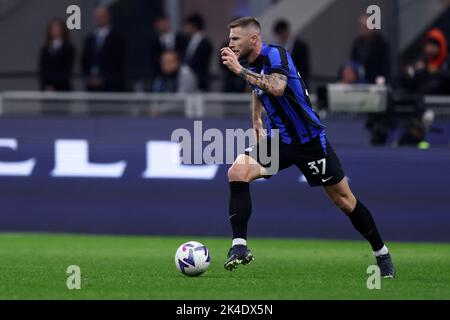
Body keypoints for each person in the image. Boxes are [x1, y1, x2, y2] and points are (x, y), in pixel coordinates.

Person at [220, 17, 395, 277]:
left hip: (310, 142)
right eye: (230, 38)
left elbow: (277, 87)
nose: (230, 43)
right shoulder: (250, 64)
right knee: (237, 172)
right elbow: (259, 92)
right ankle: (239, 247)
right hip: (282, 141)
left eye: (236, 39)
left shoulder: (275, 54)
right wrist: (257, 121)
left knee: (345, 201)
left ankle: (382, 255)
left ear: (253, 39)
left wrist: (238, 70)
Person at [81, 6, 126, 92]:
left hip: (112, 86)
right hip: (92, 87)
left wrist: (104, 78)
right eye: (97, 17)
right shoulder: (90, 38)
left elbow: (118, 61)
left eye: (101, 16)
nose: (99, 19)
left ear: (108, 17)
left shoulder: (118, 37)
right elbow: (85, 60)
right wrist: (89, 78)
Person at [402, 28, 450, 95]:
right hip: (424, 100)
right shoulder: (423, 59)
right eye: (429, 44)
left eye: (434, 45)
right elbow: (410, 77)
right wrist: (413, 71)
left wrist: (437, 71)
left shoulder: (446, 61)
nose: (430, 48)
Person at [351, 15, 390, 84]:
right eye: (362, 27)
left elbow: (384, 65)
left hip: (375, 80)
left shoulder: (381, 44)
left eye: (366, 27)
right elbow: (353, 61)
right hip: (359, 80)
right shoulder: (357, 43)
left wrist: (381, 81)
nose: (363, 30)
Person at [39, 18, 75, 91]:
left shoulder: (68, 48)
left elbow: (67, 68)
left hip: (63, 88)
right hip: (47, 89)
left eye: (57, 28)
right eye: (53, 28)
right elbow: (42, 68)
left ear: (63, 30)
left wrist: (55, 85)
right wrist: (47, 84)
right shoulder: (45, 48)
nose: (55, 31)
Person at [272, 19, 310, 86]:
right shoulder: (276, 47)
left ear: (286, 31)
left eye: (282, 33)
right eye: (278, 35)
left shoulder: (300, 47)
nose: (280, 37)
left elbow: (304, 69)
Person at [182, 14, 213, 92]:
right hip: (186, 80)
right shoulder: (186, 41)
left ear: (193, 26)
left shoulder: (206, 43)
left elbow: (204, 65)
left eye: (187, 25)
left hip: (199, 82)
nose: (185, 28)